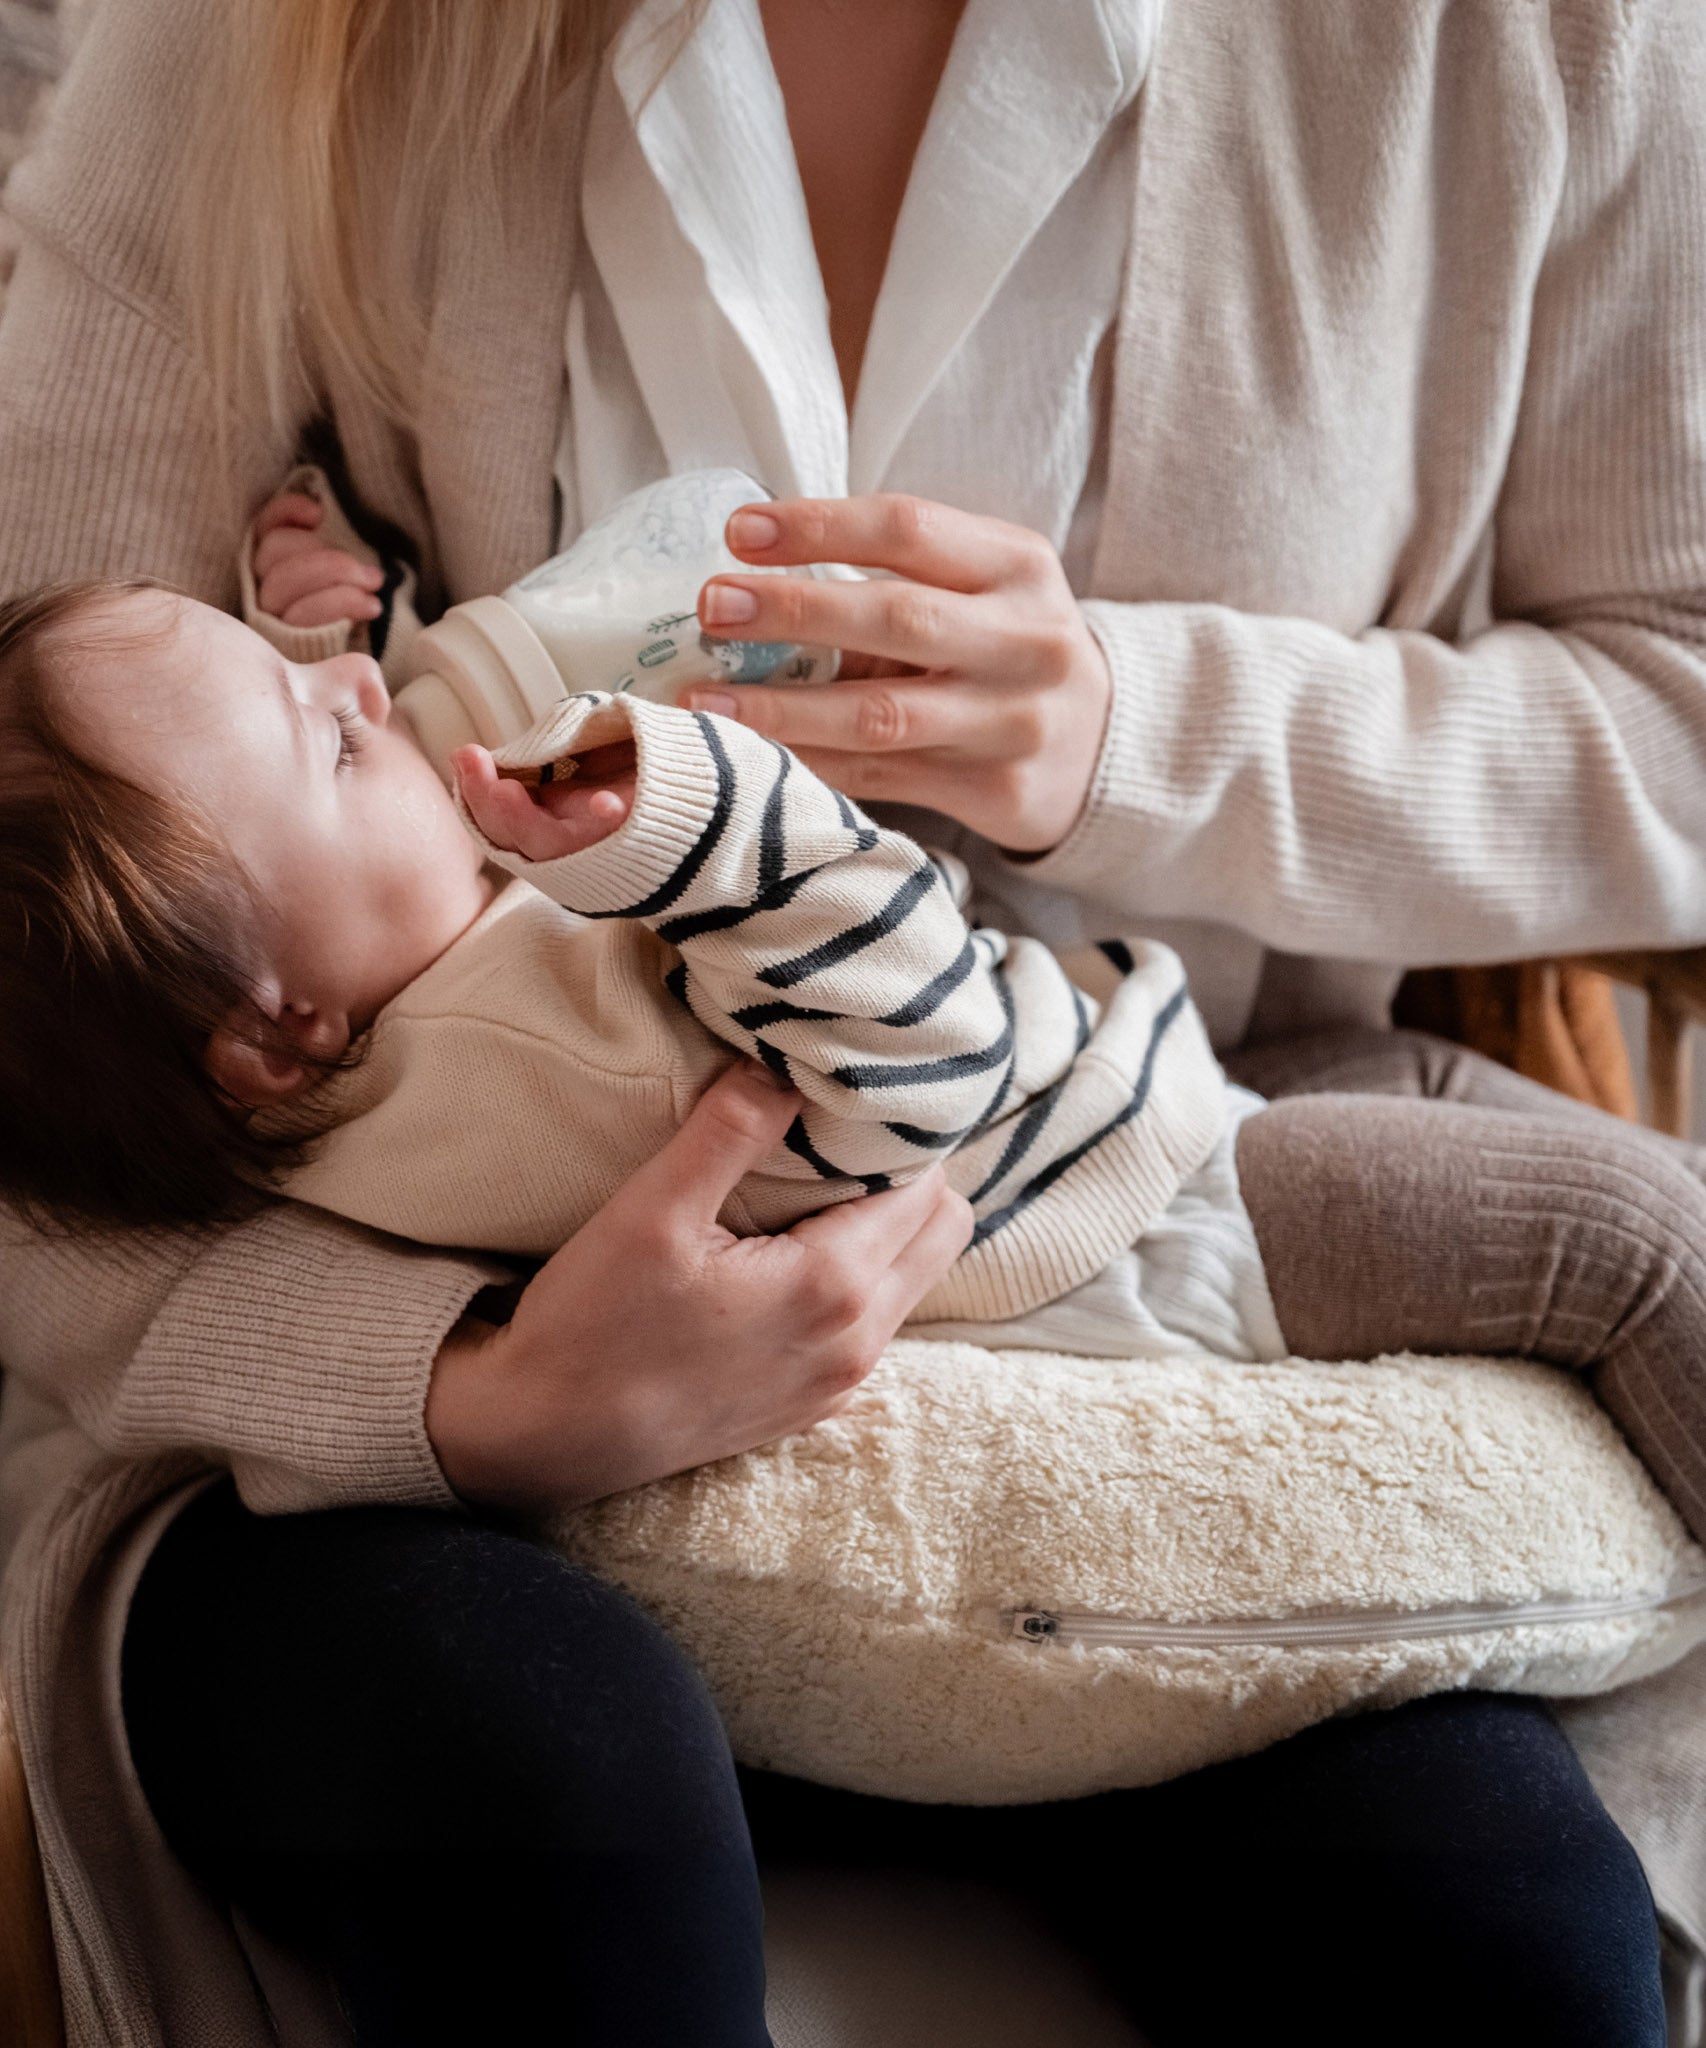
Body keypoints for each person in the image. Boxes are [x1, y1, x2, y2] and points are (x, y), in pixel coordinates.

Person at [0, 0, 1700, 2043]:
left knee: (1489, 1928)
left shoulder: (1546, 43)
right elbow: (50, 949)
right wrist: (461, 1397)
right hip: (372, 1374)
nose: (361, 705)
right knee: (547, 1796)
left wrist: (1122, 735)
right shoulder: (262, 48)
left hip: (1154, 1262)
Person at [11, 575, 1706, 1575]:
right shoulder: (535, 1052)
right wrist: (686, 811)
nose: (367, 676)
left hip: (1138, 1076)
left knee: (1423, 1077)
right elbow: (930, 1052)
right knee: (1636, 1249)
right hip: (1134, 1205)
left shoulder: (352, 1044)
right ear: (277, 1026)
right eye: (330, 730)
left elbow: (390, 737)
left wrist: (312, 600)